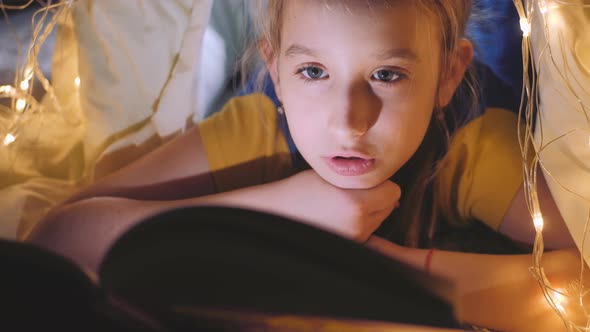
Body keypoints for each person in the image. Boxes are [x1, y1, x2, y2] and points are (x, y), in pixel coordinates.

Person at [28, 0, 581, 330]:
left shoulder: (465, 147)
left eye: (387, 74)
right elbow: (56, 240)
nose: (347, 122)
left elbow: (577, 289)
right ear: (273, 66)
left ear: (447, 77)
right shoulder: (257, 130)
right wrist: (284, 210)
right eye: (313, 72)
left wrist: (385, 271)